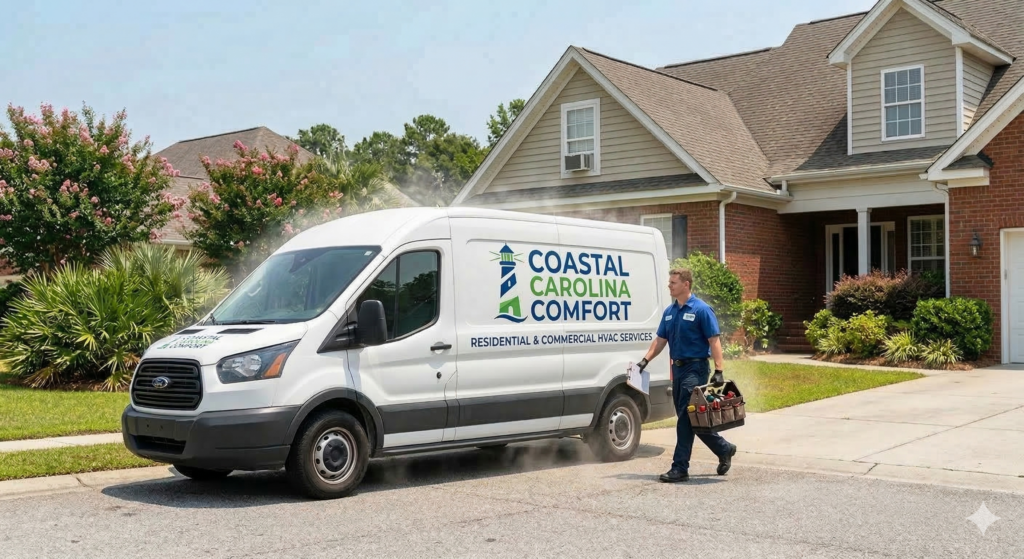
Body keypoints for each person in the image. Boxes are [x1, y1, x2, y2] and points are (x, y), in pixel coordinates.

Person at [636, 267, 737, 483]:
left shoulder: (702, 310)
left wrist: (719, 370)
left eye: (673, 282)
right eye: (670, 282)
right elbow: (660, 340)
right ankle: (724, 448)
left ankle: (680, 468)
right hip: (678, 370)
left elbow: (714, 340)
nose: (669, 286)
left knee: (685, 416)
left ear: (686, 284)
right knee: (693, 418)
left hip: (696, 369)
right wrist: (645, 361)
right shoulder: (670, 312)